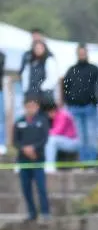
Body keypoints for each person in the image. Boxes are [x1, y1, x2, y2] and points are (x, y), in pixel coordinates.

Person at [14, 93, 51, 222]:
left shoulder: (43, 121)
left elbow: (44, 139)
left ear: (37, 107)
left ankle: (45, 212)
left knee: (41, 187)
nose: (31, 109)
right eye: (28, 106)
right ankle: (31, 212)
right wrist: (25, 149)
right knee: (26, 188)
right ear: (24, 107)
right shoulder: (19, 122)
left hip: (38, 159)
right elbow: (15, 141)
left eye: (33, 106)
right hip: (23, 161)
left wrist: (34, 148)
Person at [62, 43, 98, 163]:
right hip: (75, 108)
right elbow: (65, 87)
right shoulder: (71, 70)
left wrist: (95, 100)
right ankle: (84, 162)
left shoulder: (94, 70)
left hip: (90, 108)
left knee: (91, 136)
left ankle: (92, 162)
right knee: (80, 138)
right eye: (80, 53)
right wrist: (69, 101)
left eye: (83, 53)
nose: (82, 55)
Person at [20, 38, 59, 107]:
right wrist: (26, 90)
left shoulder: (49, 60)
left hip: (45, 94)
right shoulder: (30, 61)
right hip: (31, 94)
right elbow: (25, 77)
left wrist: (41, 88)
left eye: (40, 48)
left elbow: (52, 78)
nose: (38, 50)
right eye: (36, 48)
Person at [42, 102, 80, 173]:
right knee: (48, 140)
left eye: (48, 113)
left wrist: (42, 133)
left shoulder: (63, 115)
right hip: (65, 141)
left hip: (74, 142)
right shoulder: (57, 115)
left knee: (51, 140)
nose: (48, 116)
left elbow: (57, 131)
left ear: (52, 110)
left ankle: (50, 166)